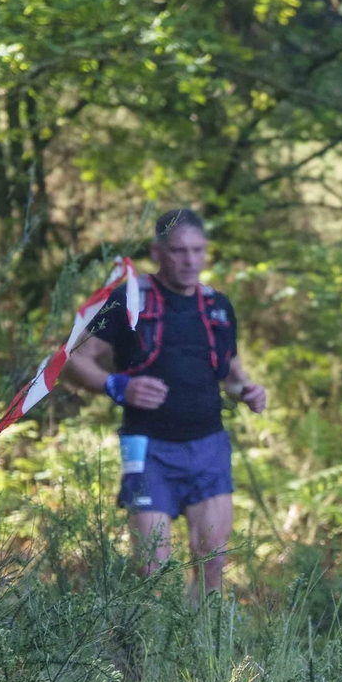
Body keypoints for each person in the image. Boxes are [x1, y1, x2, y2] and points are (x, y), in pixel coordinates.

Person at [67, 210, 267, 598]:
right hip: (147, 448)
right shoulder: (131, 299)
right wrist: (117, 385)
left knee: (211, 561)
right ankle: (147, 655)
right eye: (179, 251)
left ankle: (202, 652)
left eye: (198, 250)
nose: (190, 261)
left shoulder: (218, 306)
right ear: (158, 252)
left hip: (208, 446)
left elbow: (230, 374)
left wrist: (249, 392)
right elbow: (74, 358)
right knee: (150, 568)